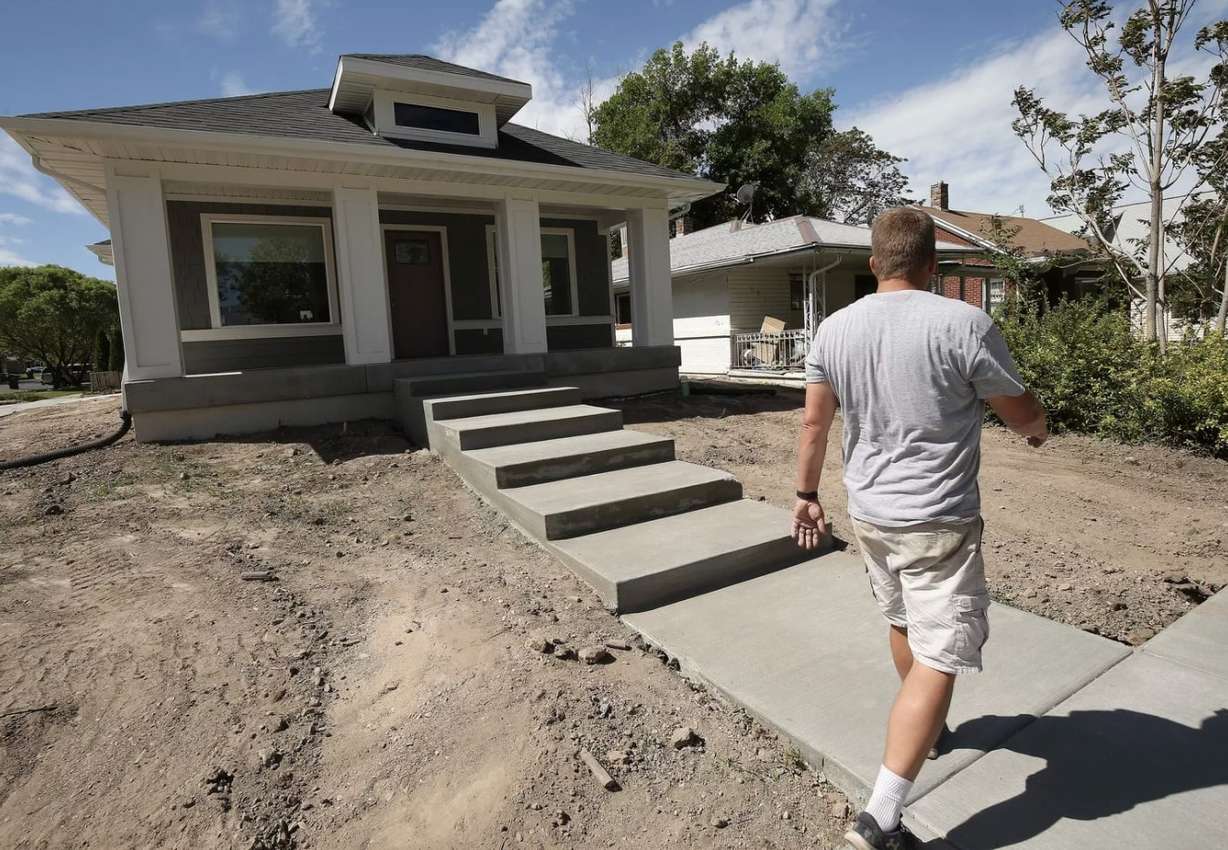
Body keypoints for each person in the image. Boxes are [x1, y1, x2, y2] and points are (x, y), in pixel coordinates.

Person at [791, 207, 1048, 850]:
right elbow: (1017, 408)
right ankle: (880, 816)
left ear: (874, 263)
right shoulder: (964, 322)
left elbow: (814, 426)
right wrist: (1037, 428)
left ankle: (928, 731)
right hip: (938, 519)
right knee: (941, 655)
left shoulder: (833, 330)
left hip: (871, 514)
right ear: (934, 266)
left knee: (904, 622)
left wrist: (804, 496)